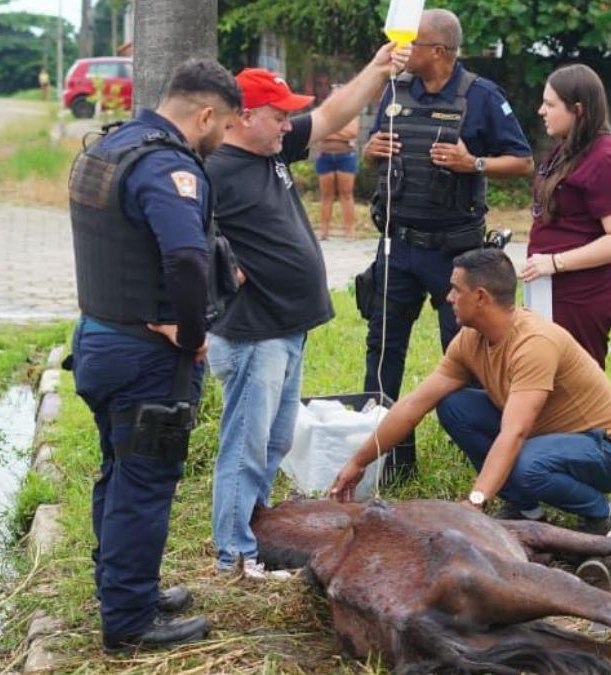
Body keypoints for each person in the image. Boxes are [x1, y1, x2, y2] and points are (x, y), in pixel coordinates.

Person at [204, 44, 410, 580]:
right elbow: (184, 241)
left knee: (274, 441)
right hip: (253, 333)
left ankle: (254, 530)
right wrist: (223, 274)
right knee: (245, 445)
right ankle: (233, 554)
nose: (287, 125)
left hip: (287, 328)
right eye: (278, 115)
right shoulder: (214, 169)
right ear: (243, 116)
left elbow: (332, 115)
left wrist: (378, 68)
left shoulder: (271, 149)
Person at [67, 59, 239, 653]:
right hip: (145, 357)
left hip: (99, 338)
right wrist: (192, 335)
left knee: (120, 474)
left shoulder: (109, 146)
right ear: (206, 114)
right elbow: (187, 257)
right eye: (226, 126)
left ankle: (125, 590)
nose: (224, 139)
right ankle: (129, 622)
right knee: (144, 484)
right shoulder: (167, 165)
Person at [331, 248, 611, 536]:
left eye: (456, 289)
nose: (448, 297)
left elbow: (515, 432)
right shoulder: (470, 339)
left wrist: (476, 501)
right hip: (547, 437)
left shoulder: (534, 344)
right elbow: (414, 404)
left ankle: (602, 514)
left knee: (527, 463)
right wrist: (359, 461)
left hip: (607, 449)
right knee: (454, 405)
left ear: (480, 297)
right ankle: (524, 508)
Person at [361, 8, 534, 474]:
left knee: (466, 352)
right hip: (398, 246)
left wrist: (471, 163)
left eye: (411, 44)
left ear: (438, 51)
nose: (401, 52)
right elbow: (373, 152)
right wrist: (370, 151)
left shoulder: (481, 96)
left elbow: (522, 161)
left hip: (455, 253)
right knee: (382, 348)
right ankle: (387, 459)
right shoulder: (396, 89)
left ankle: (484, 455)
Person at [520, 64, 611, 370]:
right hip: (551, 289)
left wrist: (556, 262)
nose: (541, 111)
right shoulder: (567, 148)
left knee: (578, 383)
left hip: (584, 295)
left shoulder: (606, 158)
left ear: (578, 109)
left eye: (550, 105)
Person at [315, 88, 359, 240]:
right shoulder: (323, 113)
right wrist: (339, 130)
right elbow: (319, 132)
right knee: (326, 195)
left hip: (345, 156)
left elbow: (352, 132)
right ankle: (323, 231)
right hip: (325, 156)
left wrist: (330, 130)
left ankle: (349, 231)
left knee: (346, 194)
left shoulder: (351, 113)